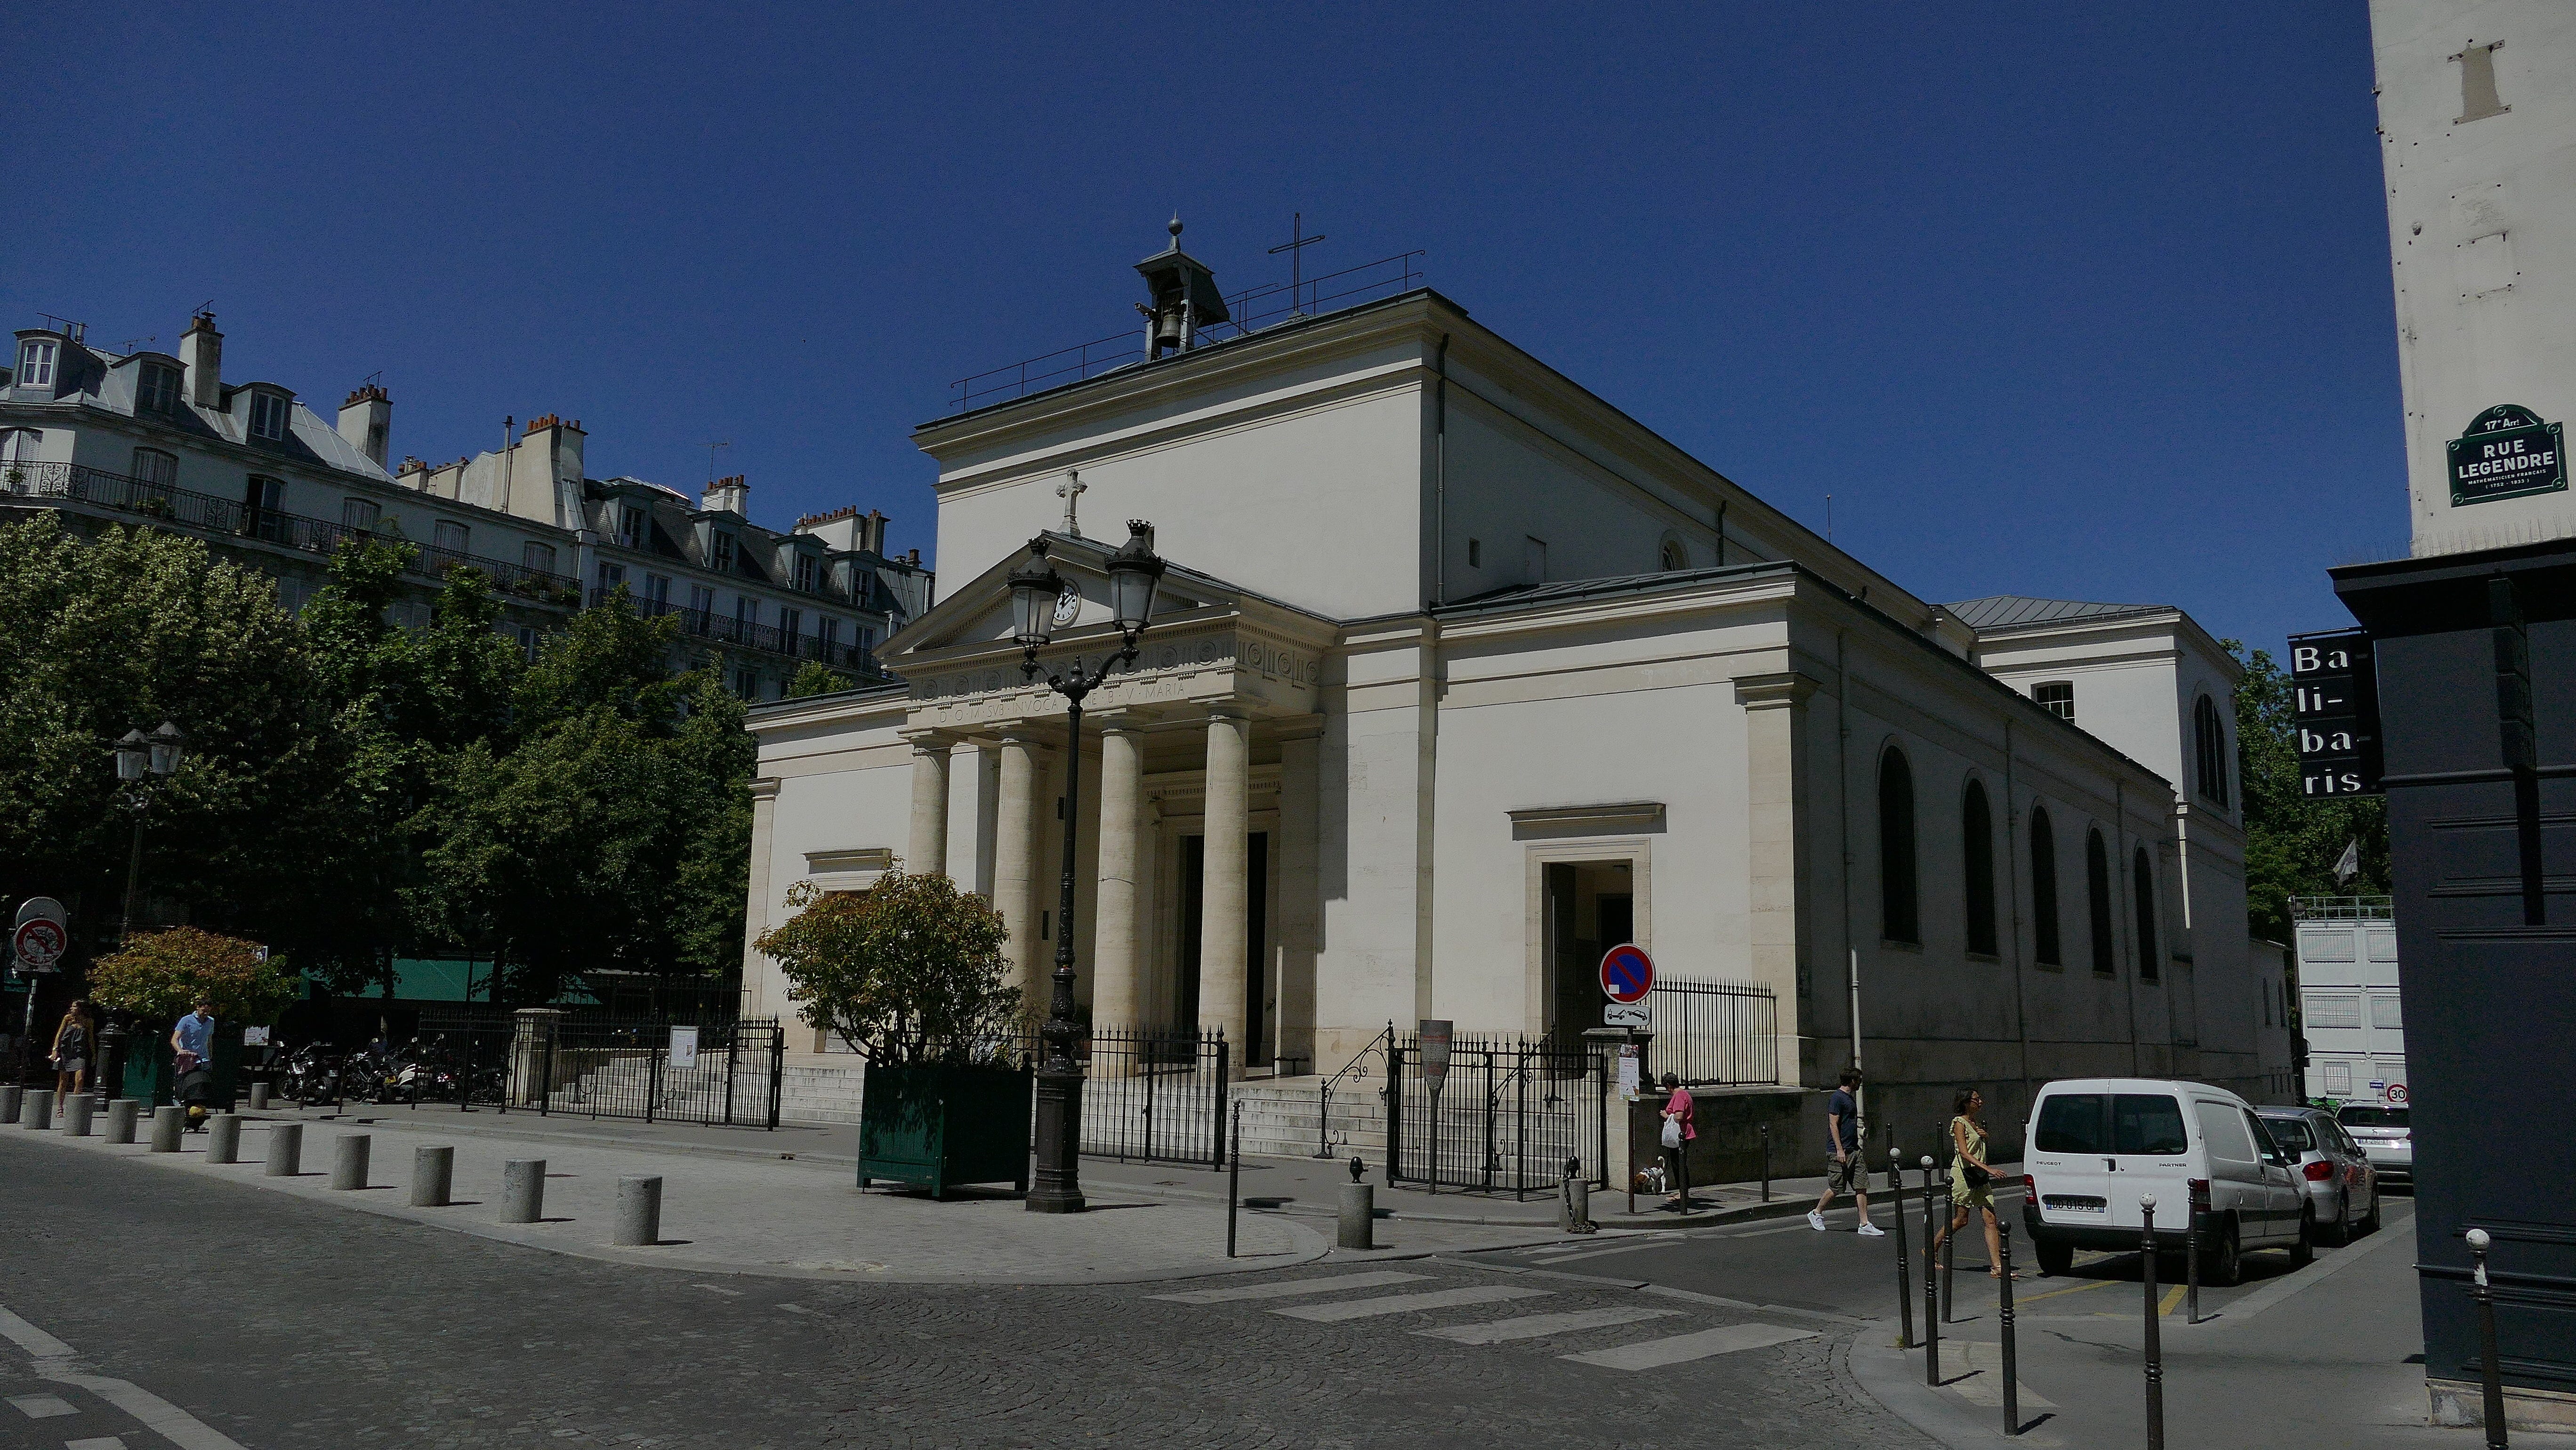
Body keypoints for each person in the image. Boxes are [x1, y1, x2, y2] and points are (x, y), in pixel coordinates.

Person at [1932, 1087, 2012, 1278]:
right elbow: (1964, 1152)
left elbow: (1976, 1146)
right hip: (1964, 1176)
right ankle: (1932, 1248)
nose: (1981, 1102)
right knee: (1961, 1220)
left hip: (1979, 1176)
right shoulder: (1959, 1122)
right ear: (1967, 1102)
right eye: (1977, 1099)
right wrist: (1989, 1169)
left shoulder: (1973, 1122)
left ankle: (1997, 1267)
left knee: (1991, 1220)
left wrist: (1984, 1136)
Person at [1809, 1067, 1883, 1235]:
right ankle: (1816, 1213)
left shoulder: (1849, 1099)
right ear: (1853, 1081)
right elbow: (1833, 1124)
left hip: (1854, 1150)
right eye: (1859, 1080)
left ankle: (1864, 1224)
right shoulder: (1837, 1098)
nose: (1861, 1083)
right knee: (1836, 1187)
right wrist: (1840, 1150)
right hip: (1840, 1152)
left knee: (1861, 1186)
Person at [1658, 1072, 1696, 1210]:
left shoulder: (1680, 1096)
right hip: (1683, 1133)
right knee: (1679, 1163)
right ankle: (1683, 1192)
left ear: (1669, 1086)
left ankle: (1683, 1193)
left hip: (1681, 1134)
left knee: (1678, 1164)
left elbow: (1679, 1116)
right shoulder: (1684, 1094)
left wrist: (1667, 1116)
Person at [50, 1000, 94, 1112]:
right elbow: (59, 1035)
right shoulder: (68, 1018)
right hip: (66, 1050)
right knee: (63, 1080)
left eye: (74, 1007)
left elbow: (91, 1038)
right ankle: (60, 1107)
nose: (72, 1008)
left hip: (80, 1051)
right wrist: (55, 1050)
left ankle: (74, 1107)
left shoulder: (88, 1021)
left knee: (80, 1079)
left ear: (81, 1009)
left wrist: (94, 1054)